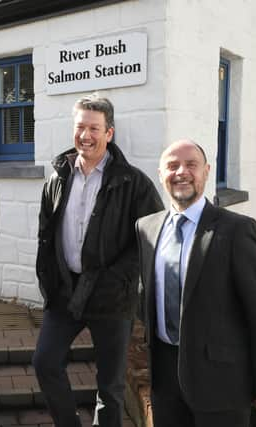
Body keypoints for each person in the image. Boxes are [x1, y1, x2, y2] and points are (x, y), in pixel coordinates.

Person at [32, 93, 163, 427]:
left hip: (111, 298)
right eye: (80, 127)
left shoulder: (134, 183)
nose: (85, 135)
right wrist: (48, 279)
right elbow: (46, 234)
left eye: (94, 128)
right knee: (45, 362)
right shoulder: (58, 177)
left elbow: (149, 241)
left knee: (111, 387)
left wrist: (117, 281)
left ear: (109, 133)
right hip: (65, 293)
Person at [136, 139, 256, 427]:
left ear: (207, 171)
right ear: (160, 173)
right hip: (165, 379)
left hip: (222, 385)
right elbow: (147, 295)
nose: (181, 172)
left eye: (191, 164)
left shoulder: (237, 230)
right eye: (172, 166)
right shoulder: (146, 227)